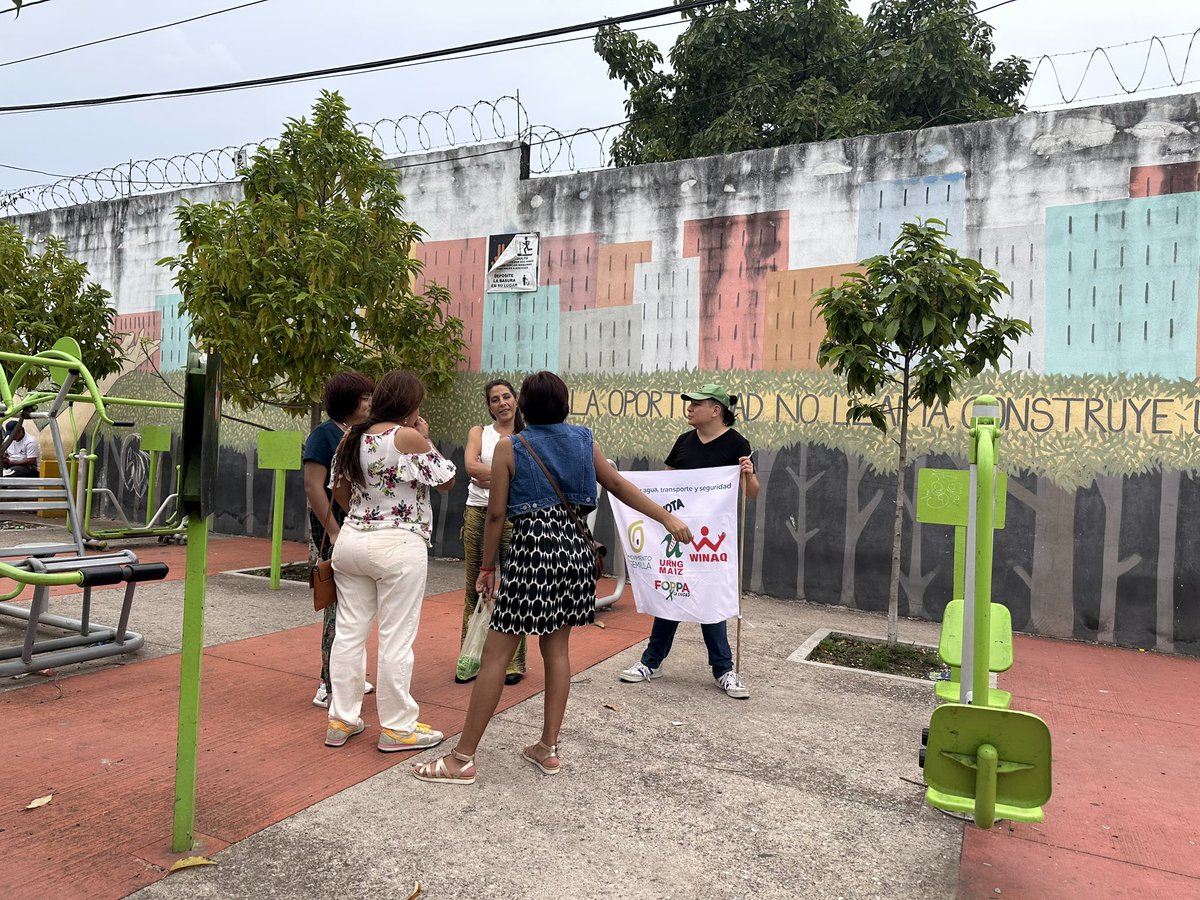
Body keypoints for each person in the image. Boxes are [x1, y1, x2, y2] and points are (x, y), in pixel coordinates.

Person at [413, 371, 692, 784]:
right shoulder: (585, 439)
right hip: (576, 553)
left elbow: (495, 514)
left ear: (524, 405)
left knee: (495, 655)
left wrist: (489, 567)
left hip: (533, 553)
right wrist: (666, 517)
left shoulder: (511, 447)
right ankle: (547, 748)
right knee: (557, 650)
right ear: (564, 403)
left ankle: (462, 758)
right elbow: (616, 484)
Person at [324, 370, 456, 752]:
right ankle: (398, 727)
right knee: (396, 637)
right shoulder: (407, 436)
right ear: (409, 405)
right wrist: (425, 435)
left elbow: (342, 491)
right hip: (399, 543)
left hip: (351, 541)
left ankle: (341, 718)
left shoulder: (351, 436)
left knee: (349, 633)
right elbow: (446, 479)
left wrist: (366, 519)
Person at [619, 383, 760, 699]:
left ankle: (724, 670)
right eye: (689, 403)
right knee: (671, 592)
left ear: (716, 410)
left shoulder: (737, 443)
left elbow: (752, 493)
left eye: (697, 403)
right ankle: (650, 662)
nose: (689, 407)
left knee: (709, 600)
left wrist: (748, 474)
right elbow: (667, 484)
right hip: (677, 534)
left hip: (712, 541)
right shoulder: (683, 442)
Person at [302, 372, 376, 709]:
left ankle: (348, 675)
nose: (370, 403)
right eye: (364, 397)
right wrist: (333, 530)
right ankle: (328, 682)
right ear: (348, 401)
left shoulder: (362, 434)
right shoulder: (324, 435)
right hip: (337, 528)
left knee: (356, 606)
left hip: (359, 527)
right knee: (337, 607)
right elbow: (313, 486)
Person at [458, 379, 525, 685]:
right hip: (477, 512)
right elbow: (470, 467)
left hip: (514, 517)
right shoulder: (478, 433)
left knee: (514, 589)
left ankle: (513, 662)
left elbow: (528, 475)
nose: (502, 403)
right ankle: (469, 658)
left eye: (506, 396)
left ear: (516, 399)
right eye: (495, 399)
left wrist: (494, 477)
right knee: (477, 585)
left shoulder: (526, 435)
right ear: (489, 406)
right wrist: (507, 476)